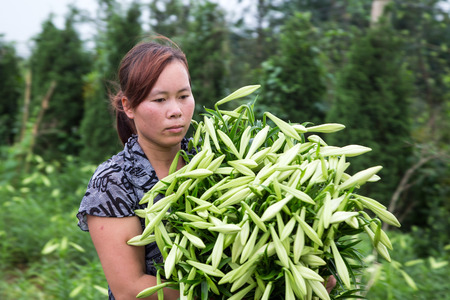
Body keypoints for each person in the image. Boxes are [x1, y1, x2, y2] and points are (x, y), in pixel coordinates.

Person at [77, 36, 195, 300]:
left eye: (184, 96)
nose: (176, 110)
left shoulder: (214, 160)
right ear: (128, 106)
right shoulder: (112, 182)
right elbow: (130, 289)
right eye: (160, 100)